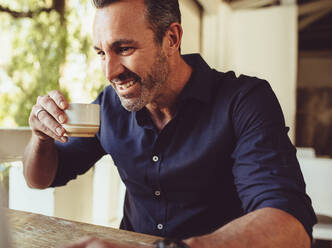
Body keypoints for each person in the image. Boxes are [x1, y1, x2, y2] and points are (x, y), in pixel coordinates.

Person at [23, 0, 316, 247]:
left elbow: (290, 227)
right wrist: (41, 137)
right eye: (101, 53)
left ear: (172, 39)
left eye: (124, 49)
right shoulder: (108, 106)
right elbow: (41, 178)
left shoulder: (244, 101)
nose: (109, 72)